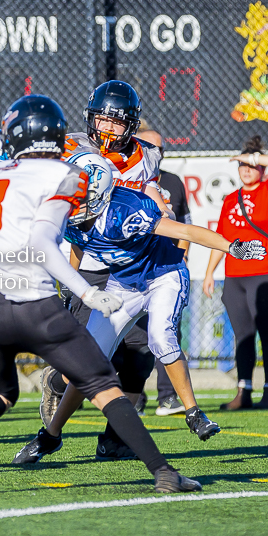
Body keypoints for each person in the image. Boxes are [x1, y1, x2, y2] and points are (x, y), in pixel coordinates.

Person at [0, 94, 201, 494]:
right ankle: (164, 472)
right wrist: (85, 294)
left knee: (0, 394)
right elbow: (41, 242)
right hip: (32, 303)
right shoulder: (59, 176)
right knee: (103, 383)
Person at [13, 131, 266, 465]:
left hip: (163, 274)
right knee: (87, 361)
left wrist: (233, 246)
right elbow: (76, 247)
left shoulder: (127, 209)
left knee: (161, 336)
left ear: (99, 192)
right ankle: (50, 436)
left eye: (78, 194)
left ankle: (193, 412)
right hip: (123, 283)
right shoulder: (72, 212)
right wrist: (71, 290)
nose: (70, 201)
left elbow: (185, 232)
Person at [40, 81, 166, 458]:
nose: (108, 130)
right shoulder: (70, 147)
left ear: (131, 124)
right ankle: (57, 384)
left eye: (116, 123)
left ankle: (114, 438)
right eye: (102, 121)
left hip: (131, 265)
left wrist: (161, 208)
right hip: (89, 262)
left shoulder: (148, 156)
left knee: (141, 353)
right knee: (87, 357)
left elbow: (150, 194)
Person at [204, 135, 268, 410]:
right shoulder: (231, 199)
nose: (246, 169)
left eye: (251, 164)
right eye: (241, 164)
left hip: (262, 274)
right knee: (242, 335)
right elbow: (222, 238)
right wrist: (209, 273)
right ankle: (244, 391)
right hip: (235, 277)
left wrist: (254, 156)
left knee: (266, 332)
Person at [137, 128, 191, 416]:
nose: (154, 152)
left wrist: (179, 257)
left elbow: (184, 223)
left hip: (165, 268)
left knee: (166, 331)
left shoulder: (172, 181)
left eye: (159, 148)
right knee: (130, 337)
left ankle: (168, 396)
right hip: (132, 271)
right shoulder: (126, 177)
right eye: (148, 146)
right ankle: (132, 395)